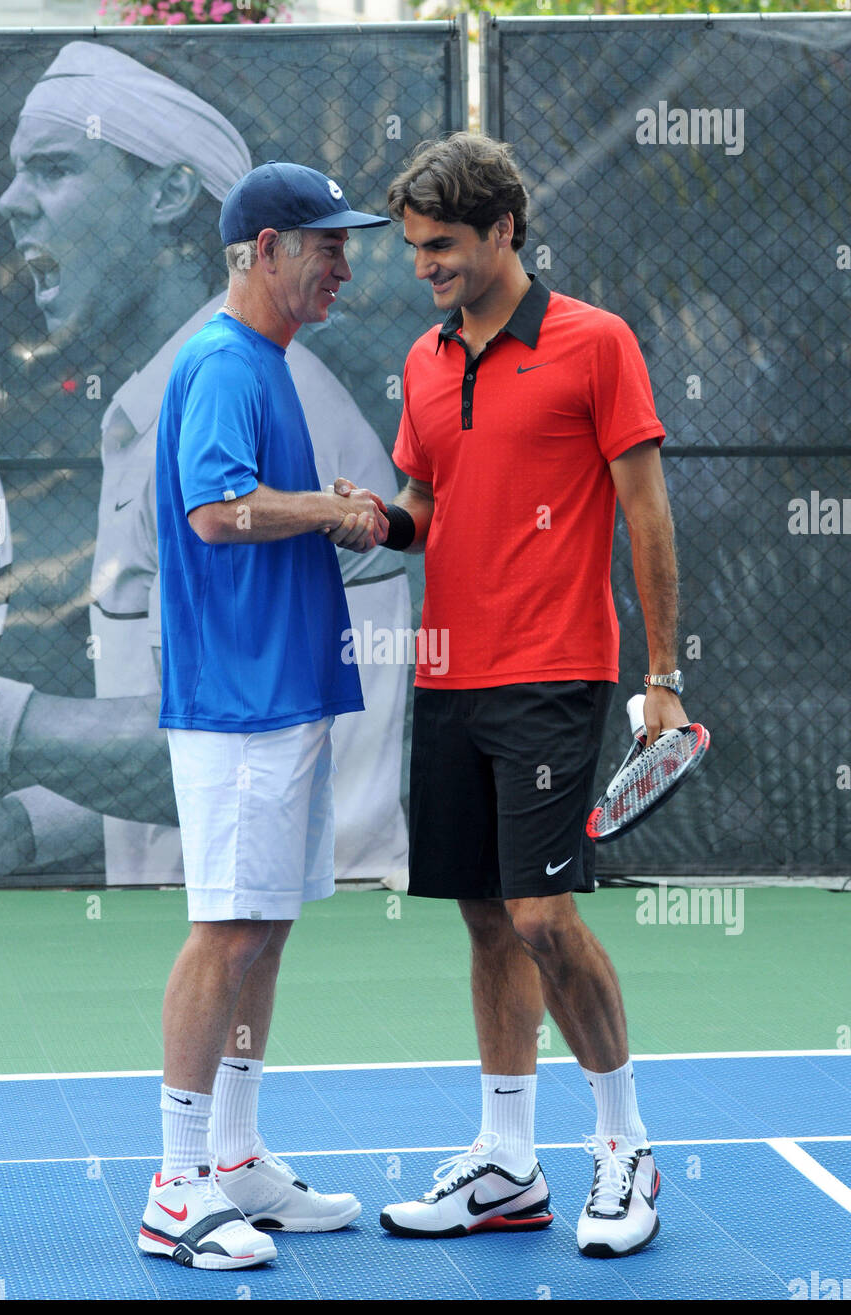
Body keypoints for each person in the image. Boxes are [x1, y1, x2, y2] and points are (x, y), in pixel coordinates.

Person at [0, 40, 409, 890]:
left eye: (53, 169)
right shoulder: (174, 398)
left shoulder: (234, 398)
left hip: (304, 923)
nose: (11, 203)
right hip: (250, 901)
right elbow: (183, 731)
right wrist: (24, 831)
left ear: (167, 195)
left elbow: (230, 739)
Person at [338, 132, 686, 1258]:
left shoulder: (597, 344)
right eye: (412, 248)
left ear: (505, 230)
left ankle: (626, 1146)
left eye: (441, 246)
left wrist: (663, 679)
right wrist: (374, 518)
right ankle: (508, 1162)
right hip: (447, 674)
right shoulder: (427, 360)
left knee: (542, 913)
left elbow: (646, 513)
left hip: (552, 672)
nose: (423, 265)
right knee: (487, 918)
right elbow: (423, 505)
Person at [139, 162, 392, 1269]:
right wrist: (333, 509)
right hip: (239, 700)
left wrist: (324, 509)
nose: (345, 263)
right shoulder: (221, 361)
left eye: (347, 243)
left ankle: (234, 1157)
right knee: (228, 926)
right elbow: (213, 511)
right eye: (325, 244)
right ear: (263, 251)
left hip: (284, 689)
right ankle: (175, 1184)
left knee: (269, 919)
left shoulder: (271, 361)